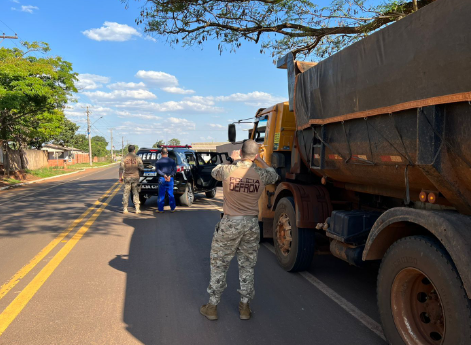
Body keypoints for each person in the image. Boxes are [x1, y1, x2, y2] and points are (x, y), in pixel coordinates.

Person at [200, 139, 279, 321]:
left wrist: (231, 159)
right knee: (247, 265)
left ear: (240, 153)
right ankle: (244, 307)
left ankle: (212, 306)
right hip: (251, 225)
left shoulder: (228, 170)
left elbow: (214, 172)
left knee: (219, 263)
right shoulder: (261, 174)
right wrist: (260, 161)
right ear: (255, 155)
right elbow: (273, 175)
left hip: (230, 223)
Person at [119, 145, 144, 214]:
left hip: (127, 177)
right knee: (135, 192)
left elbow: (121, 169)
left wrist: (120, 177)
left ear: (128, 150)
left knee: (126, 193)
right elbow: (142, 168)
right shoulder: (137, 158)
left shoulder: (124, 158)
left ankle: (125, 209)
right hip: (135, 177)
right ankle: (137, 209)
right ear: (134, 150)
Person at [155, 147, 176, 213]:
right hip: (170, 179)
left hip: (162, 179)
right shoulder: (172, 161)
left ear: (161, 153)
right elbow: (175, 170)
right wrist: (169, 175)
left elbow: (158, 170)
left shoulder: (158, 162)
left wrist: (164, 175)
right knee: (171, 194)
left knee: (161, 194)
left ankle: (161, 209)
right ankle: (172, 208)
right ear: (167, 153)